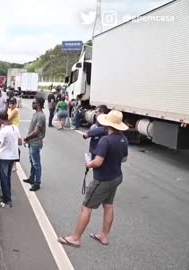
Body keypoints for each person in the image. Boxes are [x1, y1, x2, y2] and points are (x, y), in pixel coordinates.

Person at [58, 110, 128, 248]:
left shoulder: (105, 140)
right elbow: (124, 158)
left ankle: (75, 238)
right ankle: (104, 235)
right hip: (116, 176)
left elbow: (98, 162)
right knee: (108, 206)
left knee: (86, 207)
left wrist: (89, 164)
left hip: (102, 179)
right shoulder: (123, 139)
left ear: (107, 124)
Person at [23, 96, 46, 191]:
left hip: (36, 143)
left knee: (36, 163)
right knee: (32, 162)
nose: (32, 104)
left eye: (34, 103)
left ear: (38, 104)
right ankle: (32, 178)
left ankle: (37, 183)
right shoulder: (36, 114)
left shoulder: (41, 116)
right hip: (32, 142)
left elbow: (36, 131)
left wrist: (26, 138)